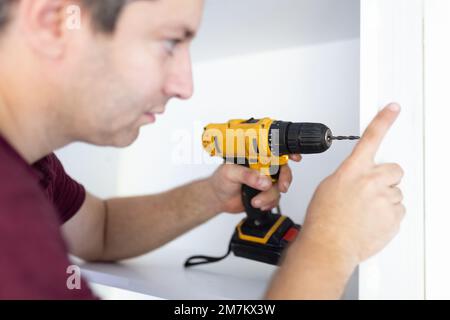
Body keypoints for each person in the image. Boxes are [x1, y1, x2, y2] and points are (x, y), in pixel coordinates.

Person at [0, 0, 405, 299]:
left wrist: (211, 196)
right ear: (55, 23)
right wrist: (331, 244)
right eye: (170, 42)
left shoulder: (36, 169)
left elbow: (100, 232)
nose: (185, 86)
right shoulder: (9, 220)